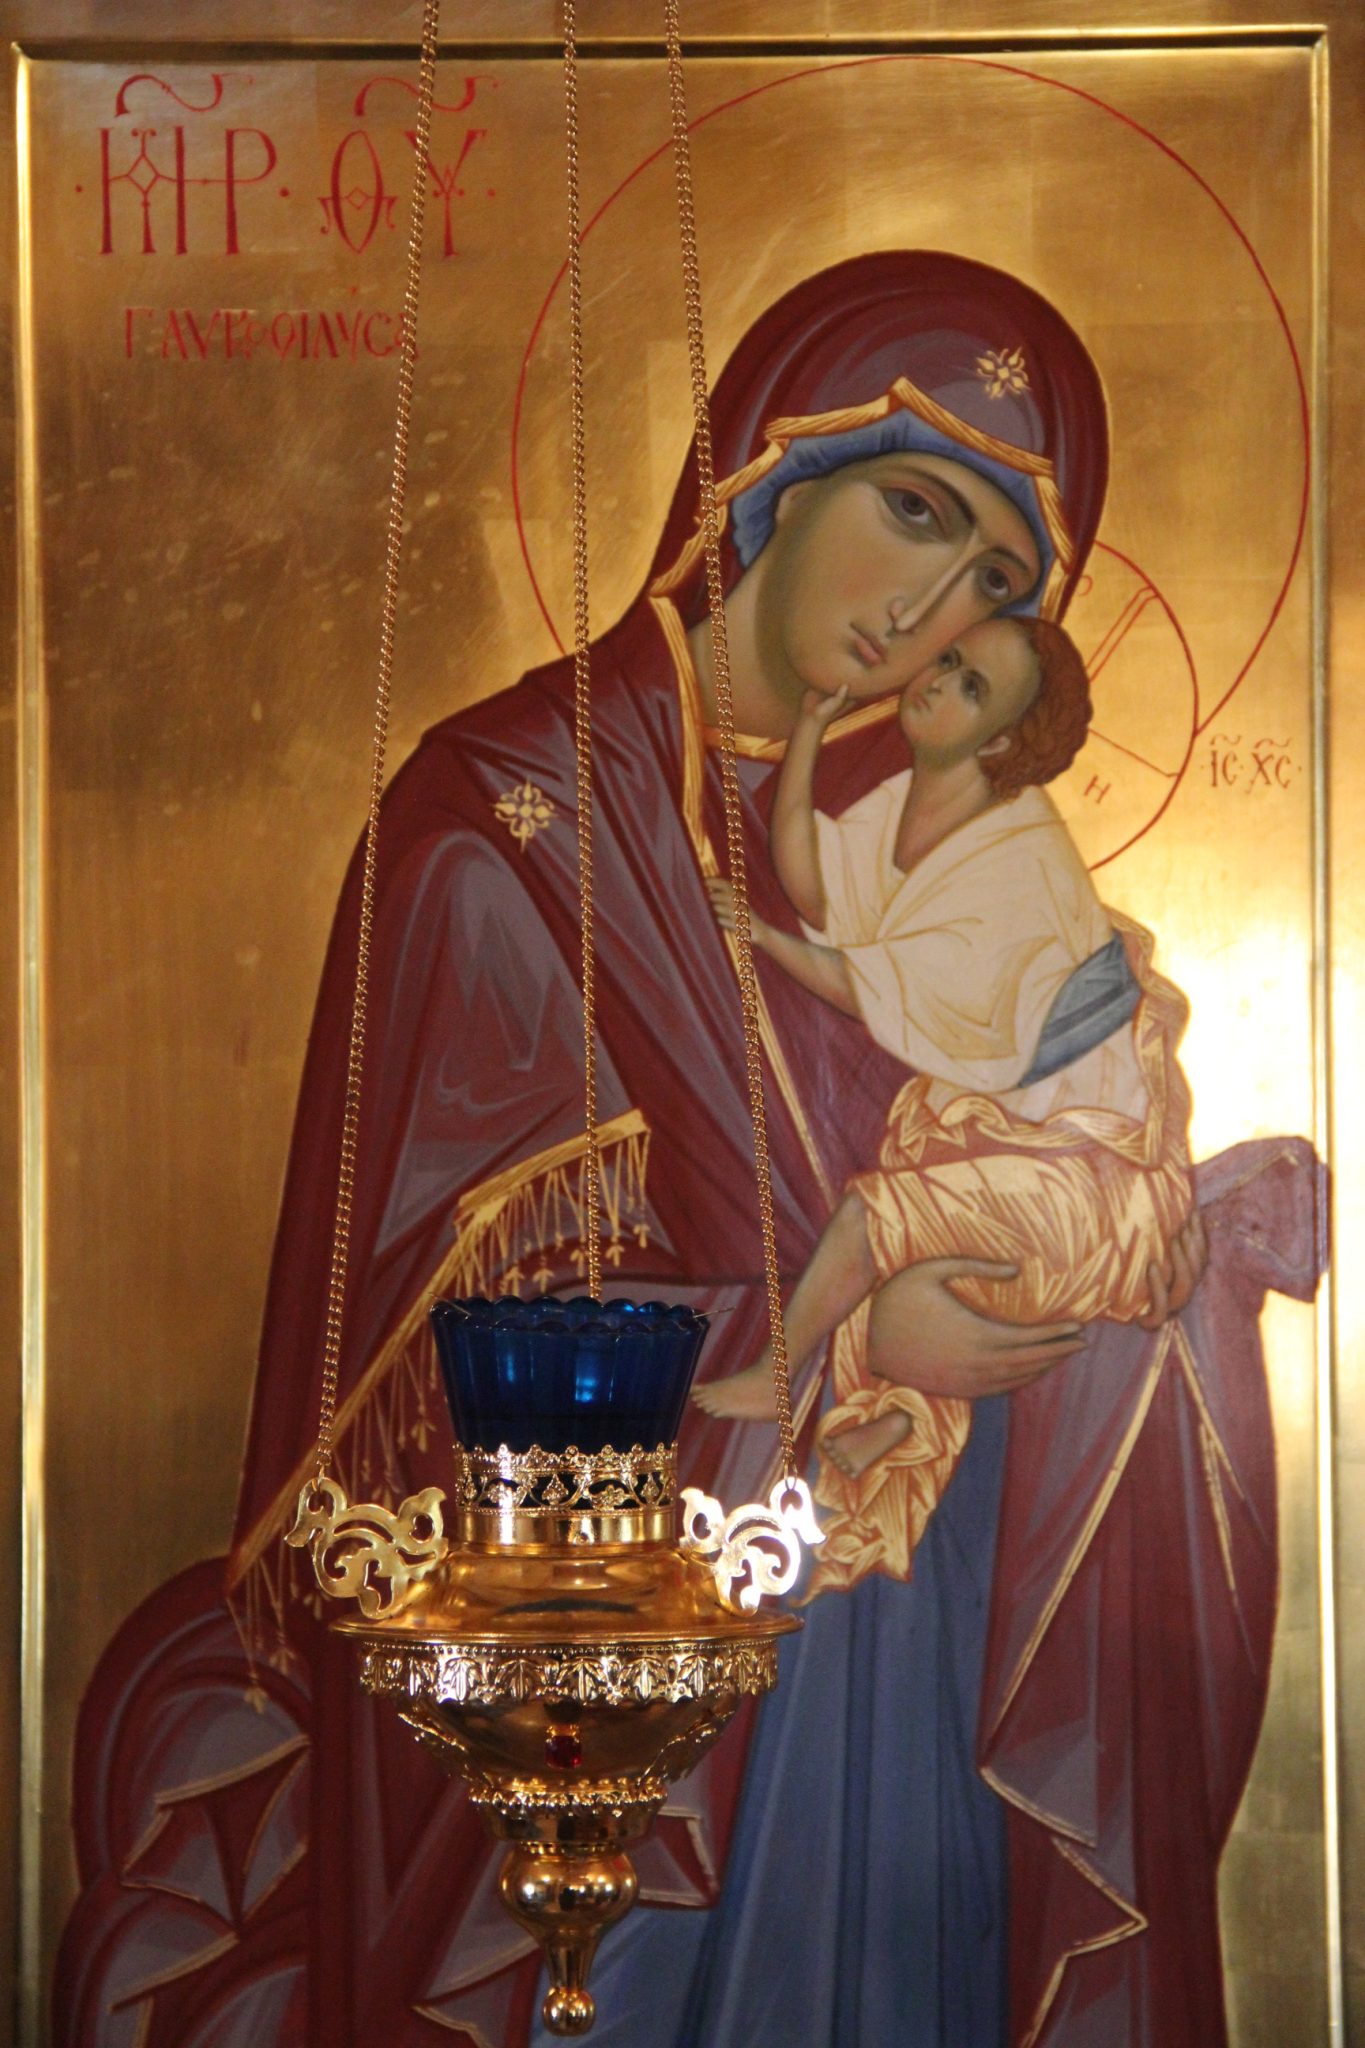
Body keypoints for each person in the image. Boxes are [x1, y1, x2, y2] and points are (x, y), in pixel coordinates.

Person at [55, 254, 1300, 2048]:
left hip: (915, 1642)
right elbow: (413, 1365)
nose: (927, 607)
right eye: (916, 508)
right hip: (641, 1708)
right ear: (769, 471)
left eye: (995, 583)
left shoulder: (930, 862)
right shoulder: (505, 820)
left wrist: (1139, 1255)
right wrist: (848, 1339)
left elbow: (1041, 1150)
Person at [697, 612, 1194, 1596]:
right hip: (1018, 1144)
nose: (936, 681)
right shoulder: (912, 802)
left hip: (1096, 1177)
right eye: (952, 661)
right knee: (917, 1264)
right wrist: (809, 735)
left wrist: (763, 942)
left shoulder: (1022, 858)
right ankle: (890, 1425)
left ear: (1003, 740)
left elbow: (879, 989)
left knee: (876, 1215)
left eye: (971, 686)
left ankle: (778, 1375)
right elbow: (817, 881)